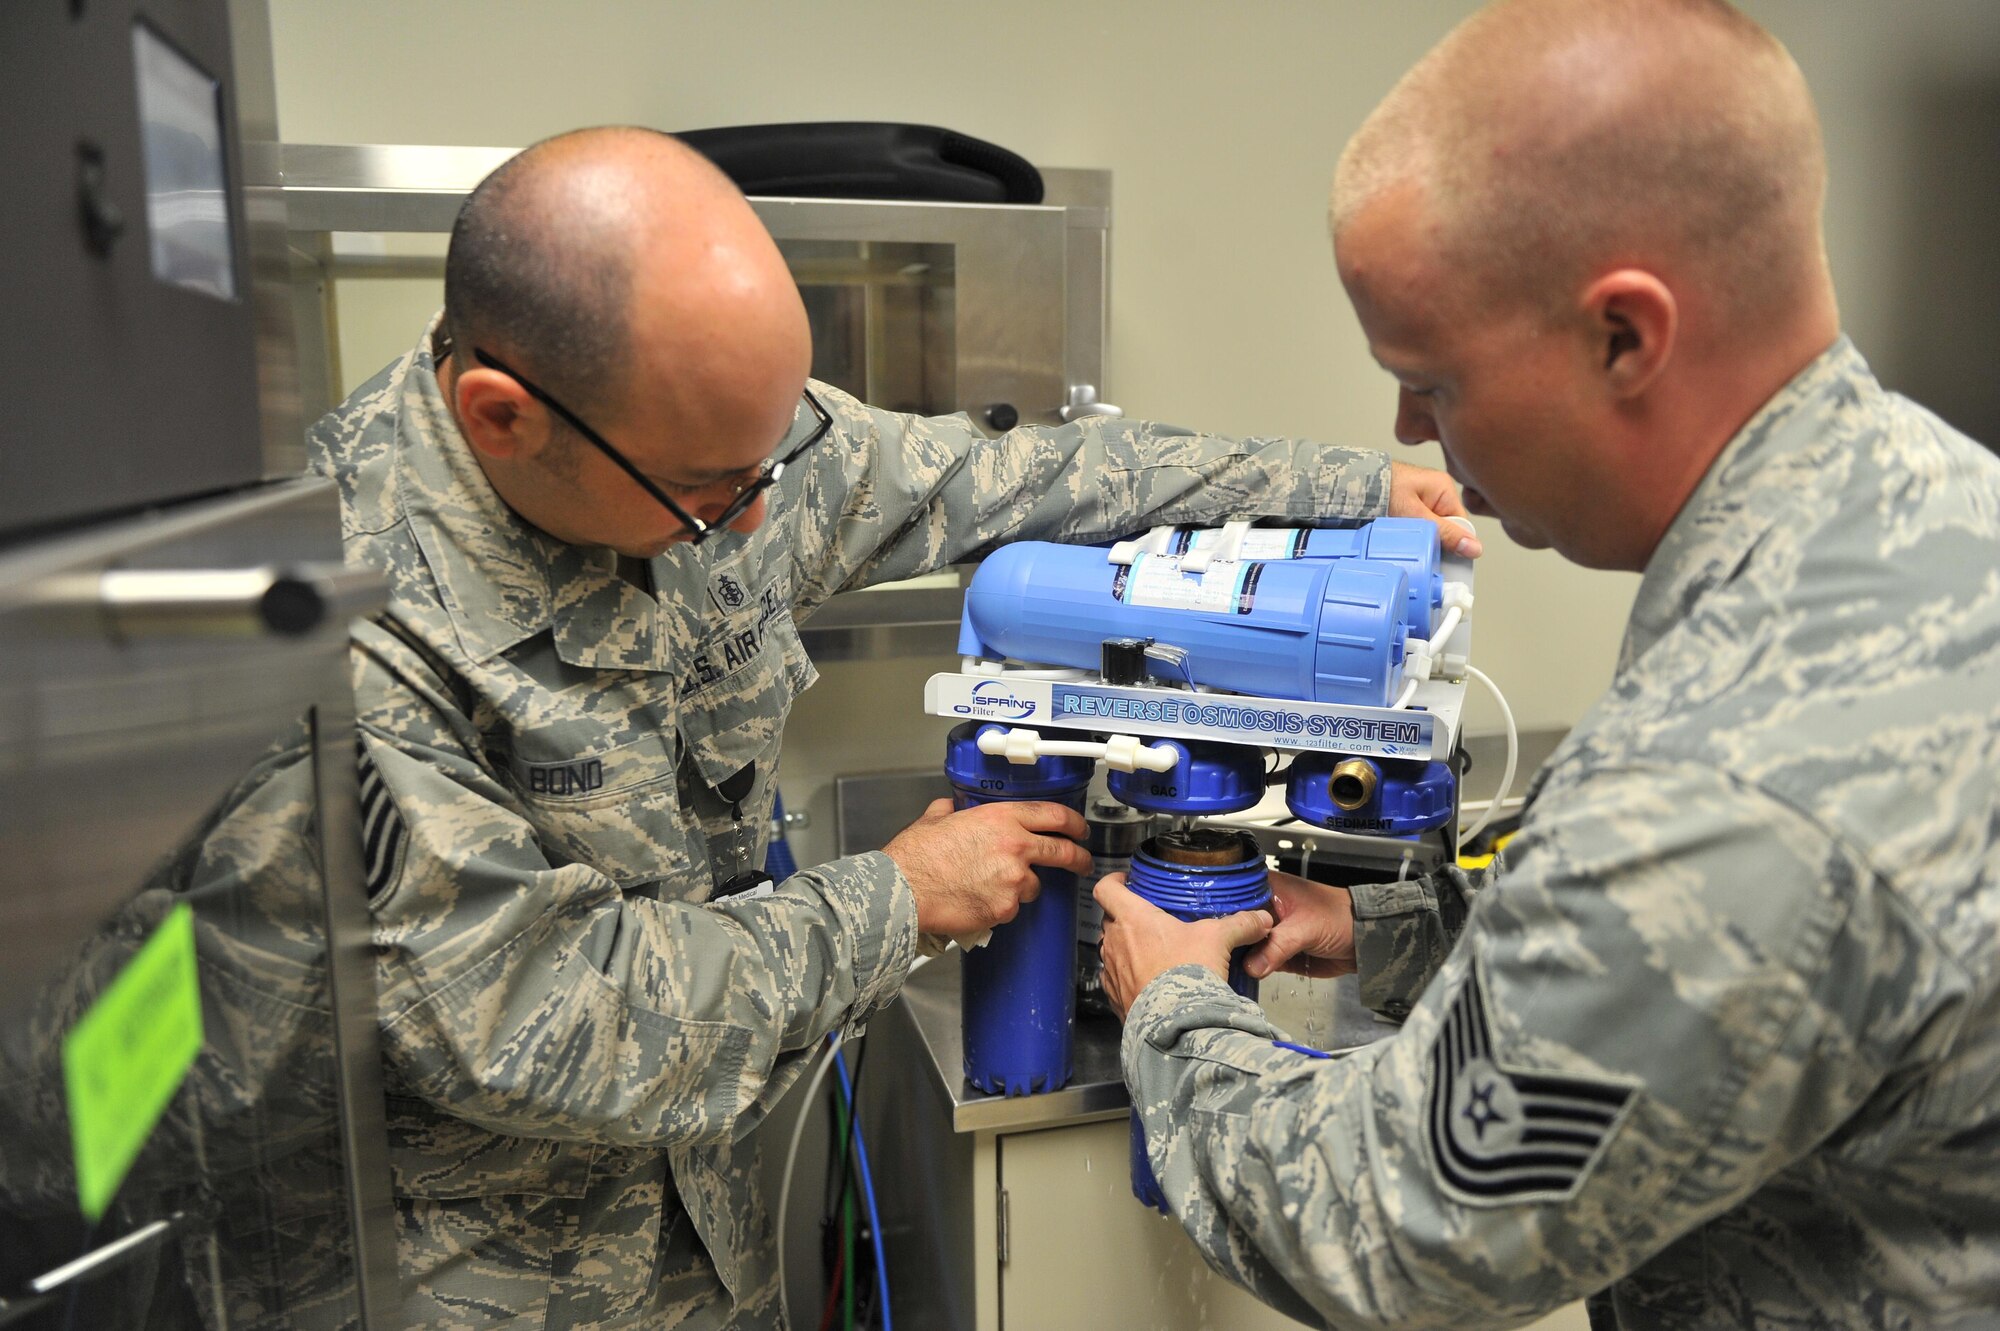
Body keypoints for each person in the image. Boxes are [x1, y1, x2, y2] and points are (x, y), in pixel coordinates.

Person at [306, 126, 1475, 1330]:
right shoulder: (343, 635)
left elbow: (1010, 478)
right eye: (711, 494)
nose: (760, 523)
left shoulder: (705, 444)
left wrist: (1341, 491)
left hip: (702, 1243)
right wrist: (896, 898)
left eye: (772, 464)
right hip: (484, 1285)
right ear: (503, 416)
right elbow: (537, 1014)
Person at [1095, 1, 2000, 1327]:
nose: (1408, 424)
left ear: (1625, 335)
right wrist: (1395, 929)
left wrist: (1172, 1006)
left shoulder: (1733, 771)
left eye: (1433, 376)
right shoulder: (1932, 508)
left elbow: (1394, 1224)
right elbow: (1722, 967)